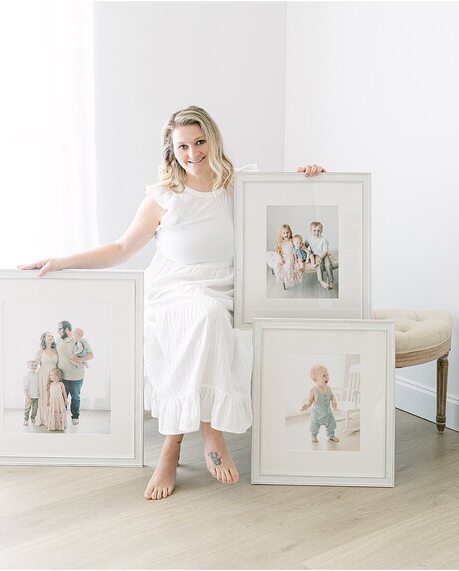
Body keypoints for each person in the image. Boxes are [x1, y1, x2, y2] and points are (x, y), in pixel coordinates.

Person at [18, 105, 324, 500]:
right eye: (183, 146)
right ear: (171, 149)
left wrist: (310, 177)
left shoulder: (240, 184)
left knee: (214, 315)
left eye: (200, 142)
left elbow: (287, 197)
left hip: (225, 285)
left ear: (212, 140)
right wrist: (62, 261)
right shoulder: (164, 196)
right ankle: (183, 440)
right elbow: (121, 247)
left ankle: (199, 432)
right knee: (204, 317)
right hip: (174, 289)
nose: (193, 153)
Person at [55, 321, 92, 425]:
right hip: (62, 376)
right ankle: (62, 417)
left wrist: (79, 360)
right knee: (62, 397)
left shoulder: (80, 339)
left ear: (66, 329)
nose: (58, 331)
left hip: (76, 376)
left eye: (60, 329)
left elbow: (91, 355)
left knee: (75, 397)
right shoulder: (58, 341)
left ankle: (75, 416)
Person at [301, 364, 339, 443]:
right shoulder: (313, 390)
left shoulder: (328, 388)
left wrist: (334, 401)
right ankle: (314, 435)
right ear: (315, 379)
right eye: (324, 376)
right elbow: (310, 401)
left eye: (328, 375)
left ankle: (331, 435)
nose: (327, 377)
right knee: (315, 425)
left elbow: (332, 396)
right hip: (317, 414)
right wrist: (306, 405)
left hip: (328, 413)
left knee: (331, 424)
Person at [33, 331, 59, 428]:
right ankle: (43, 417)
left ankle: (52, 417)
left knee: (53, 396)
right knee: (44, 396)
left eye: (52, 335)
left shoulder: (56, 350)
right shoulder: (40, 351)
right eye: (49, 335)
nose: (51, 336)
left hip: (54, 375)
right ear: (44, 338)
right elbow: (34, 364)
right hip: (43, 375)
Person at [306, 221, 334, 289]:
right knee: (319, 264)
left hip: (324, 254)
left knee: (328, 264)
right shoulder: (309, 239)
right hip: (315, 255)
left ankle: (331, 281)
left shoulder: (323, 240)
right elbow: (304, 247)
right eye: (314, 230)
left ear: (322, 230)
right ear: (310, 231)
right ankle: (321, 280)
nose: (316, 233)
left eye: (318, 230)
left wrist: (321, 257)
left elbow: (325, 251)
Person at [274, 223, 302, 290]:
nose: (286, 235)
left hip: (290, 256)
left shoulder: (292, 240)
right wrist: (280, 257)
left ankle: (288, 279)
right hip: (283, 256)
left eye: (287, 232)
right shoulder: (280, 242)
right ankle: (282, 278)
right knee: (277, 265)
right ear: (281, 233)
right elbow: (278, 250)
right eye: (284, 233)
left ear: (290, 232)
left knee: (288, 266)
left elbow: (297, 245)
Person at [22, 360, 40, 426]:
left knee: (35, 408)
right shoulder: (27, 376)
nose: (33, 367)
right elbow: (25, 388)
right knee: (27, 408)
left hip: (36, 396)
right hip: (29, 396)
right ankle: (25, 419)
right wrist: (27, 396)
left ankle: (33, 418)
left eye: (35, 365)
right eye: (31, 365)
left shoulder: (37, 375)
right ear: (28, 366)